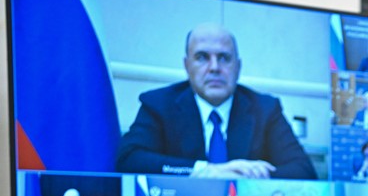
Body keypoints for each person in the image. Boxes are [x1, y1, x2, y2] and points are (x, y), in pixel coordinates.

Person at [116, 23, 317, 180]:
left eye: (224, 58)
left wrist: (245, 175)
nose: (214, 67)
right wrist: (204, 171)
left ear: (238, 67)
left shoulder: (265, 109)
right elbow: (129, 160)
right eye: (202, 57)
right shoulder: (159, 105)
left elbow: (303, 171)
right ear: (187, 66)